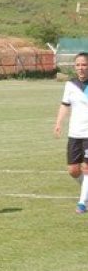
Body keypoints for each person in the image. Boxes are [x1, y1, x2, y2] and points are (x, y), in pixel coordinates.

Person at [54, 52, 88, 214]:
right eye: (78, 65)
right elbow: (64, 105)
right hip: (75, 133)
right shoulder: (70, 85)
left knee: (87, 168)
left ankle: (82, 203)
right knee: (73, 171)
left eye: (84, 65)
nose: (81, 68)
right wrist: (59, 122)